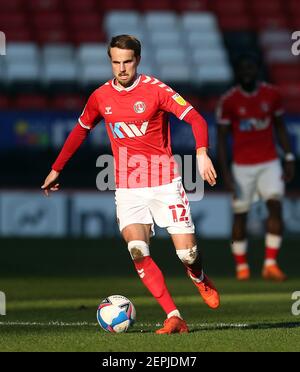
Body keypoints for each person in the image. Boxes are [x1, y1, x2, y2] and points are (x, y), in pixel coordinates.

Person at [41, 35, 220, 334]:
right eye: (116, 62)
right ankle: (173, 316)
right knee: (138, 249)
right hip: (128, 186)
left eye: (127, 61)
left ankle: (199, 277)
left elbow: (197, 119)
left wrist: (201, 154)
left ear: (137, 60)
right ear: (110, 61)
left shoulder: (156, 90)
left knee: (187, 255)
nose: (121, 68)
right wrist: (56, 168)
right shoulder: (100, 97)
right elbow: (79, 131)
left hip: (165, 182)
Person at [217, 53, 295, 281]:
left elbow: (280, 126)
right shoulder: (229, 101)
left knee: (275, 206)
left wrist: (289, 157)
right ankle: (242, 267)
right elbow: (221, 139)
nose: (248, 73)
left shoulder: (272, 95)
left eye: (251, 69)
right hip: (242, 166)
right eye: (243, 69)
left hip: (270, 162)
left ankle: (270, 264)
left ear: (257, 71)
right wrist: (226, 172)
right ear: (238, 73)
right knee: (240, 215)